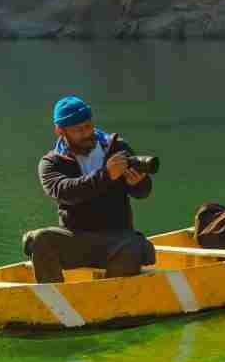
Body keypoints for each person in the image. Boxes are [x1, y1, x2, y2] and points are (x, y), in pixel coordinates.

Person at [22, 96, 155, 283]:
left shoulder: (118, 148)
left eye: (89, 126)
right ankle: (55, 302)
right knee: (40, 239)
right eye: (79, 130)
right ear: (60, 130)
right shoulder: (50, 163)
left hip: (117, 238)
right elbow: (66, 192)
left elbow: (143, 192)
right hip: (76, 239)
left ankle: (113, 300)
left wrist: (138, 183)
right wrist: (106, 175)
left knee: (132, 247)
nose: (87, 133)